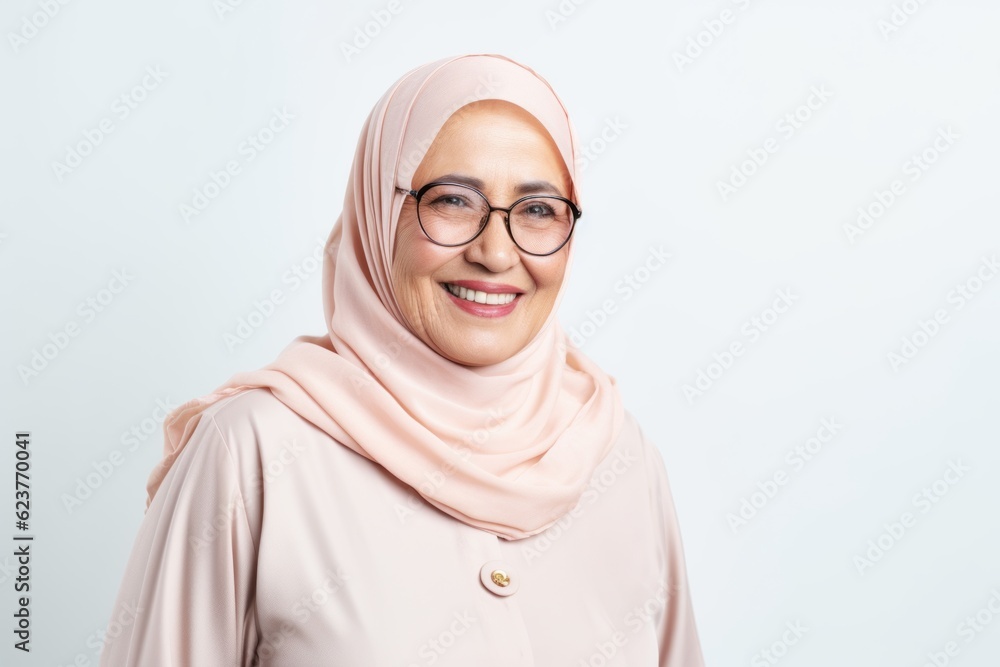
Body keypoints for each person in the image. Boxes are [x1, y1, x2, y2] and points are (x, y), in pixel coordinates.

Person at [100, 53, 705, 666]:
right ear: (377, 213)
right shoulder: (253, 453)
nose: (496, 253)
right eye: (452, 201)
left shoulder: (619, 457)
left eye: (540, 210)